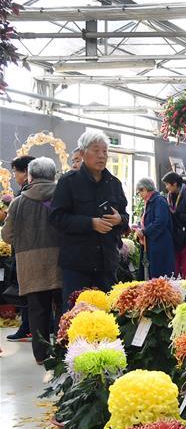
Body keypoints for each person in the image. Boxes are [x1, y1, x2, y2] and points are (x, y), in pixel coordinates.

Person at [50, 131, 129, 306]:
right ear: (83, 153)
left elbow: (125, 218)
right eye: (96, 150)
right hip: (77, 264)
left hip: (106, 263)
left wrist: (120, 220)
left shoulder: (114, 184)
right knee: (75, 312)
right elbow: (57, 218)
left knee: (108, 311)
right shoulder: (68, 182)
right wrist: (90, 223)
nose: (102, 155)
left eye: (105, 151)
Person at [1, 157, 63, 364]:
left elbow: (7, 236)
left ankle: (41, 355)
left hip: (30, 265)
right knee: (63, 308)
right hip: (61, 261)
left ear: (30, 176)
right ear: (53, 175)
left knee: (38, 311)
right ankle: (63, 352)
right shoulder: (63, 198)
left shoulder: (18, 203)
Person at [5, 155, 35, 342]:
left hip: (25, 250)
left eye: (16, 171)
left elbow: (10, 230)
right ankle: (32, 326)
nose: (14, 175)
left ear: (26, 172)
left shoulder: (26, 195)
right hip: (31, 249)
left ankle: (27, 327)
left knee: (27, 291)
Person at [135, 178, 175, 279]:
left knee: (159, 274)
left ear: (144, 189)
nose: (139, 194)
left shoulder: (159, 200)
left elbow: (160, 221)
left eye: (139, 191)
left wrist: (144, 231)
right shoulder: (150, 201)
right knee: (151, 273)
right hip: (152, 241)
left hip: (160, 242)